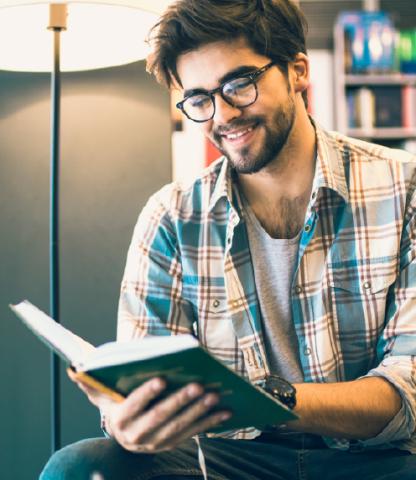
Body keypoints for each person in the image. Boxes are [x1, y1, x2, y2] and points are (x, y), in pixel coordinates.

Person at [40, 1, 416, 478]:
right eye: (199, 99)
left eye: (240, 84)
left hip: (375, 460)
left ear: (297, 71)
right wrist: (127, 421)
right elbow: (139, 387)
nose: (223, 115)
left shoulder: (404, 189)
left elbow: (409, 385)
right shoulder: (171, 217)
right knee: (79, 465)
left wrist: (268, 399)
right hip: (227, 459)